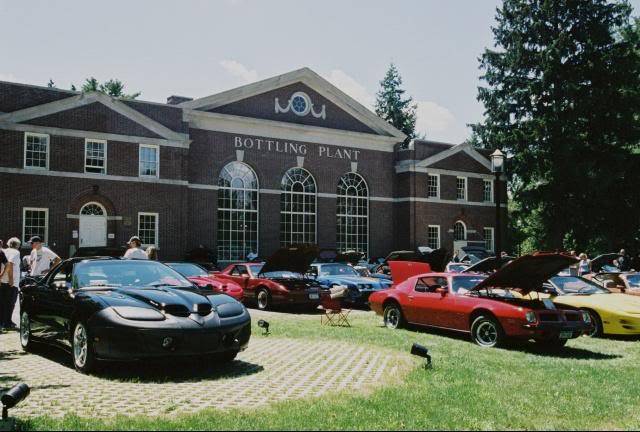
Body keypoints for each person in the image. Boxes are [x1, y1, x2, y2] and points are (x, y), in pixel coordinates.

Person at [0, 238, 22, 330]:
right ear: (18, 245)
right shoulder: (16, 253)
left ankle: (3, 322)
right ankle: (7, 323)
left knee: (2, 303)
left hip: (2, 281)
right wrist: (11, 279)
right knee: (10, 303)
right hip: (11, 283)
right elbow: (10, 264)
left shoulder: (4, 250)